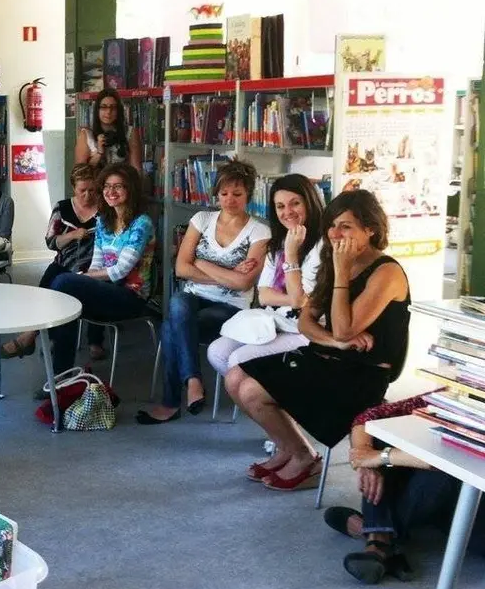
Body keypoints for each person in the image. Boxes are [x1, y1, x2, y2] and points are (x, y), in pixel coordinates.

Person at [225, 190, 410, 491]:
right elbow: (306, 321)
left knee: (252, 391)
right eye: (332, 225)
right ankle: (288, 449)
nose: (334, 234)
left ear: (371, 229)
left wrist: (340, 273)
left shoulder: (386, 272)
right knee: (234, 377)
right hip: (329, 356)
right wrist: (336, 343)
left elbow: (343, 328)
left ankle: (304, 458)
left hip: (361, 374)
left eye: (346, 226)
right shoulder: (335, 258)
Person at [138, 160, 269, 424]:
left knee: (172, 327)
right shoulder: (201, 220)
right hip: (193, 299)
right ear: (216, 194)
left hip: (231, 308)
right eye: (223, 194)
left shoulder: (259, 231)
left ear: (249, 195)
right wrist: (228, 275)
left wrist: (200, 262)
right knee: (178, 302)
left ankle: (173, 401)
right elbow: (180, 269)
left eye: (237, 194)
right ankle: (194, 380)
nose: (229, 200)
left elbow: (243, 285)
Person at [324, 393, 485, 584]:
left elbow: (458, 459)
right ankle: (379, 538)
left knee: (437, 465)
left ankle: (374, 532)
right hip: (454, 499)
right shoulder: (465, 394)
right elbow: (369, 417)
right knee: (387, 436)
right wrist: (364, 457)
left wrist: (382, 457)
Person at [206, 174, 325, 377]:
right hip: (272, 320)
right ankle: (257, 397)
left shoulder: (322, 246)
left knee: (238, 360)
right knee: (216, 352)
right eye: (280, 206)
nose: (287, 212)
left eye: (295, 203)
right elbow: (264, 295)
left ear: (310, 203)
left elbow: (299, 301)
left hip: (306, 328)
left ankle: (261, 398)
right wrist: (295, 299)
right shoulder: (278, 243)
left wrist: (291, 253)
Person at [47, 162, 156, 376]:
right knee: (67, 301)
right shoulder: (105, 222)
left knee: (64, 282)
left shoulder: (141, 223)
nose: (110, 192)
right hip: (107, 290)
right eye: (106, 186)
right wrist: (87, 277)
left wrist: (83, 277)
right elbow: (97, 262)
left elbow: (119, 271)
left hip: (130, 296)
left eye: (118, 186)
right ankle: (61, 377)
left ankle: (60, 374)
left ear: (130, 189)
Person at [1, 163, 104, 359]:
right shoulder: (63, 208)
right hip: (64, 263)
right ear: (74, 187)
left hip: (94, 267)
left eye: (92, 190)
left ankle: (94, 340)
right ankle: (37, 336)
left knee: (90, 284)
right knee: (49, 286)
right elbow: (51, 242)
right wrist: (73, 235)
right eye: (83, 190)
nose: (88, 195)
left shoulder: (104, 209)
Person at [74, 88, 142, 172]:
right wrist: (99, 153)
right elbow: (80, 173)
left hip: (121, 182)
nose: (108, 112)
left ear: (118, 111)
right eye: (104, 107)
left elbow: (136, 170)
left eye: (113, 108)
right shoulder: (86, 134)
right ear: (97, 110)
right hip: (95, 183)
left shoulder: (130, 132)